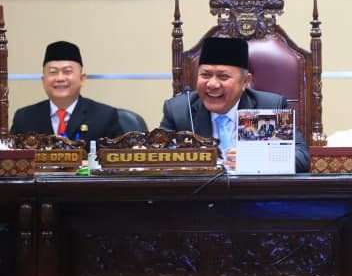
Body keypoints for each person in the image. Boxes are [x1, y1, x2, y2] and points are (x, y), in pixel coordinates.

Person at [159, 36, 310, 173]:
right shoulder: (179, 111)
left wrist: (254, 160)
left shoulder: (267, 107)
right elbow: (158, 158)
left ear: (245, 82)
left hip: (253, 192)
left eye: (223, 77)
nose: (212, 84)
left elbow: (302, 159)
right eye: (205, 75)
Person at [10, 40, 124, 143]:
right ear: (43, 80)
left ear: (82, 79)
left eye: (67, 71)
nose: (60, 78)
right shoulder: (24, 118)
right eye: (53, 72)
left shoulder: (104, 116)